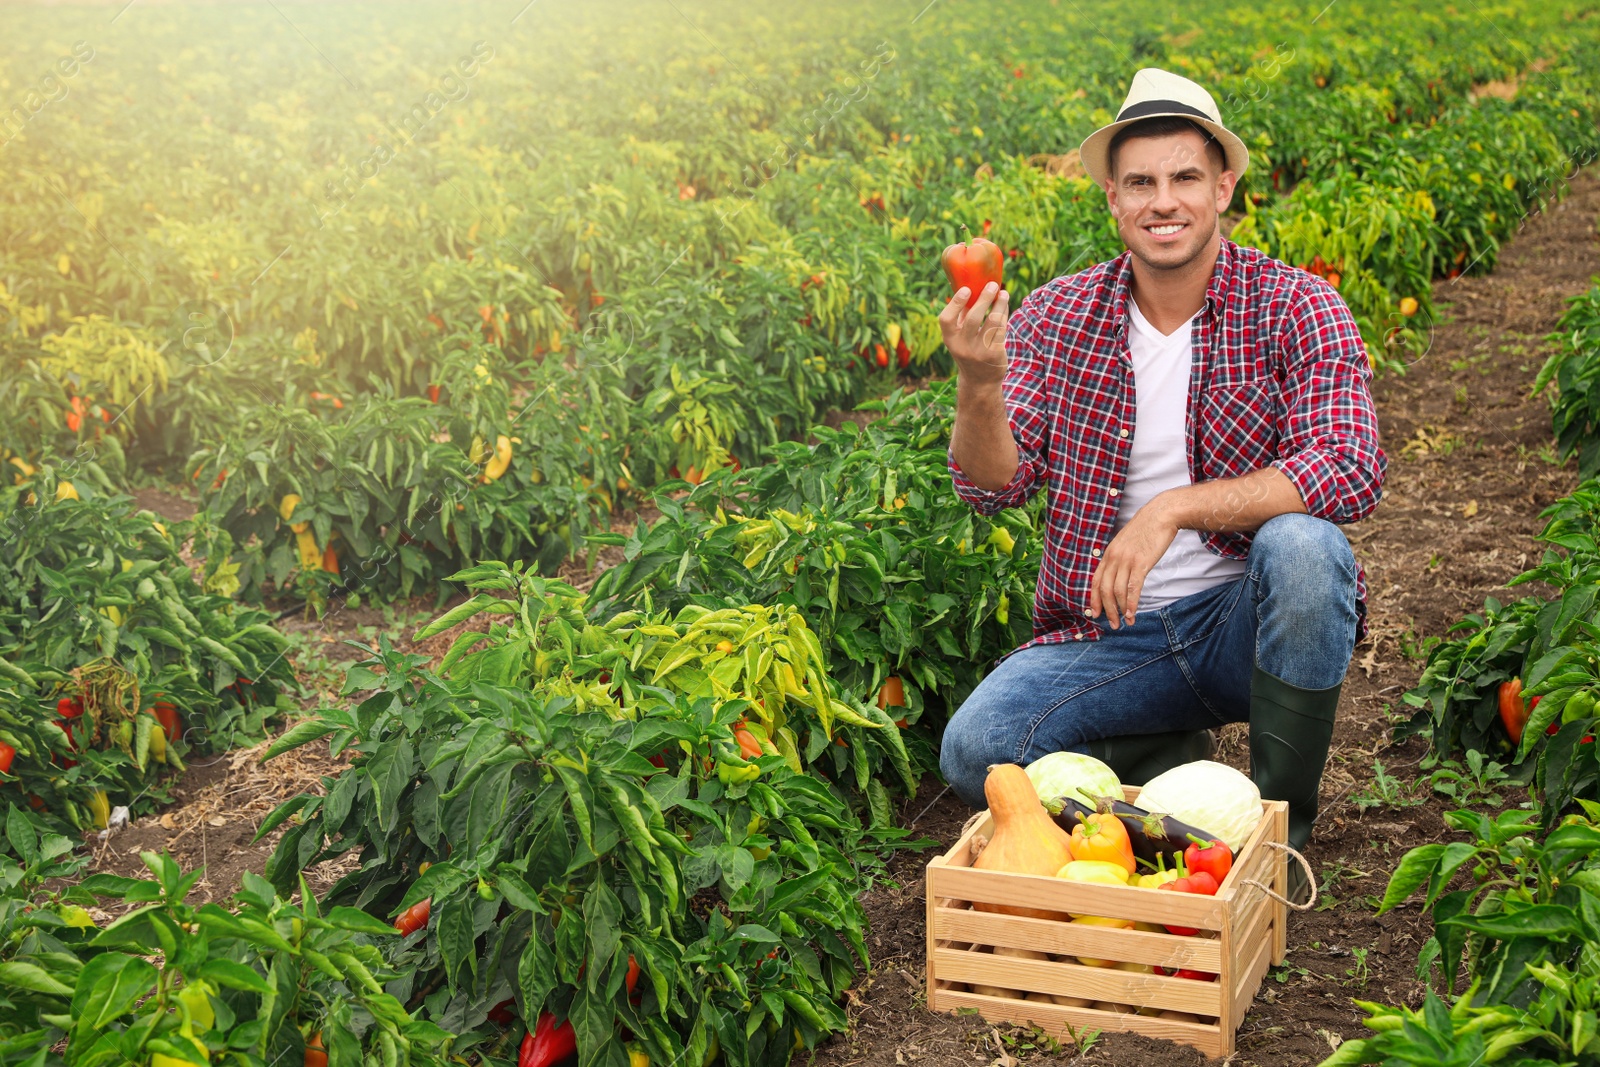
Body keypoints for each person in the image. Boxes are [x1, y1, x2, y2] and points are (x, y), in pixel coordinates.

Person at [937, 68, 1386, 884]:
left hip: (1239, 626)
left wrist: (1172, 508)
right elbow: (991, 485)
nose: (1163, 201)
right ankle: (1164, 764)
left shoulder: (1296, 305)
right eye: (1140, 182)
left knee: (1307, 549)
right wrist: (978, 382)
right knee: (977, 749)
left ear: (1223, 188)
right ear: (1112, 198)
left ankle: (1280, 841)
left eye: (1184, 177)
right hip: (1109, 635)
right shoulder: (1058, 315)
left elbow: (1349, 465)